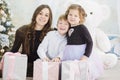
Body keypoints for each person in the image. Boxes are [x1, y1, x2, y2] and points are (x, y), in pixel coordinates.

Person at [10, 4, 53, 77]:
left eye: (46, 15)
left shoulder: (52, 33)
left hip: (43, 71)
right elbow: (14, 51)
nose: (43, 17)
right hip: (25, 70)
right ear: (35, 14)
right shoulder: (22, 31)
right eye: (40, 13)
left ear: (49, 18)